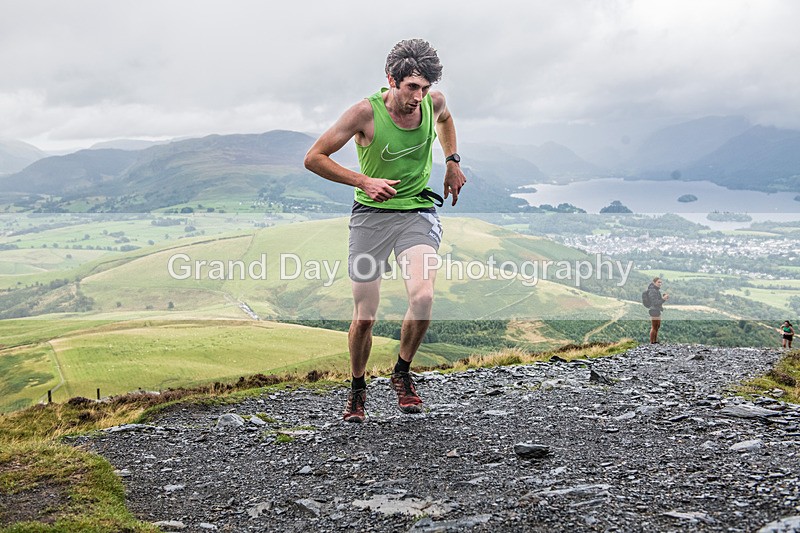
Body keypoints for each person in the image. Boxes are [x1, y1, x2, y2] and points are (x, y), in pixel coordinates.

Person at [304, 39, 467, 423]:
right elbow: (314, 158)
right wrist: (363, 181)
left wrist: (452, 161)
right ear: (391, 80)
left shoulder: (433, 103)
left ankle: (402, 373)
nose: (418, 97)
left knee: (423, 296)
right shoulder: (365, 113)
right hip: (371, 217)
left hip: (416, 212)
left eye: (425, 88)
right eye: (411, 87)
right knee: (365, 315)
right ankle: (358, 387)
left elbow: (445, 120)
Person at [647, 277, 669, 344]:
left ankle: (655, 341)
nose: (660, 284)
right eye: (658, 282)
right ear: (654, 282)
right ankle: (652, 342)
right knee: (654, 326)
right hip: (653, 310)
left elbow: (659, 302)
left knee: (657, 326)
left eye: (661, 282)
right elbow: (655, 302)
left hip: (657, 310)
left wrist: (663, 299)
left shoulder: (656, 291)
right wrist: (663, 299)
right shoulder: (652, 291)